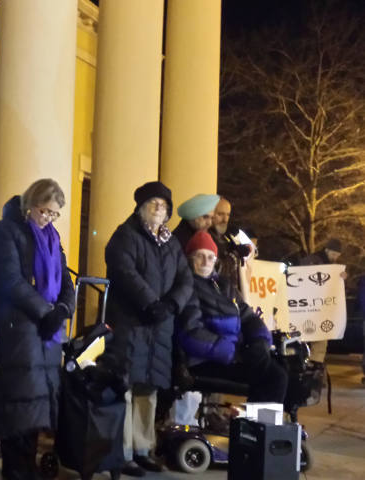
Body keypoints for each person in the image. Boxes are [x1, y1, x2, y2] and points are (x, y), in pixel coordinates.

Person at [0, 179, 75, 480]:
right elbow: (11, 280)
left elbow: (66, 281)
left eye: (54, 214)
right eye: (44, 211)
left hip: (48, 331)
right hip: (20, 327)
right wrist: (44, 312)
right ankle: (15, 469)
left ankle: (28, 465)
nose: (48, 219)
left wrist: (63, 309)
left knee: (39, 402)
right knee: (20, 400)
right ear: (29, 205)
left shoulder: (52, 238)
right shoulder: (5, 232)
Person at [104, 181, 193, 477]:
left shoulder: (171, 242)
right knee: (126, 388)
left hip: (160, 327)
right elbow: (123, 271)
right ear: (141, 207)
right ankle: (124, 452)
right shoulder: (126, 235)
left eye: (164, 205)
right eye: (154, 203)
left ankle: (142, 448)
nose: (159, 208)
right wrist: (150, 303)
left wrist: (171, 305)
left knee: (148, 391)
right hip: (132, 323)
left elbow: (185, 278)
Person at [176, 231, 288, 404]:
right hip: (205, 360)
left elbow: (249, 317)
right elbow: (191, 333)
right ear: (190, 258)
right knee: (274, 377)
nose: (206, 262)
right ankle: (256, 426)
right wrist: (235, 353)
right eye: (200, 256)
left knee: (279, 369)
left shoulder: (223, 285)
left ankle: (256, 424)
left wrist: (260, 341)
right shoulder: (187, 286)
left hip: (232, 354)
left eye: (210, 257)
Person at [299, 238, 346, 364]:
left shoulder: (332, 265)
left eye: (338, 255)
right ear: (327, 250)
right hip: (308, 308)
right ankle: (308, 364)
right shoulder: (312, 261)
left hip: (321, 309)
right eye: (334, 254)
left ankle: (315, 365)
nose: (335, 257)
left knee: (320, 339)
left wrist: (342, 277)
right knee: (311, 338)